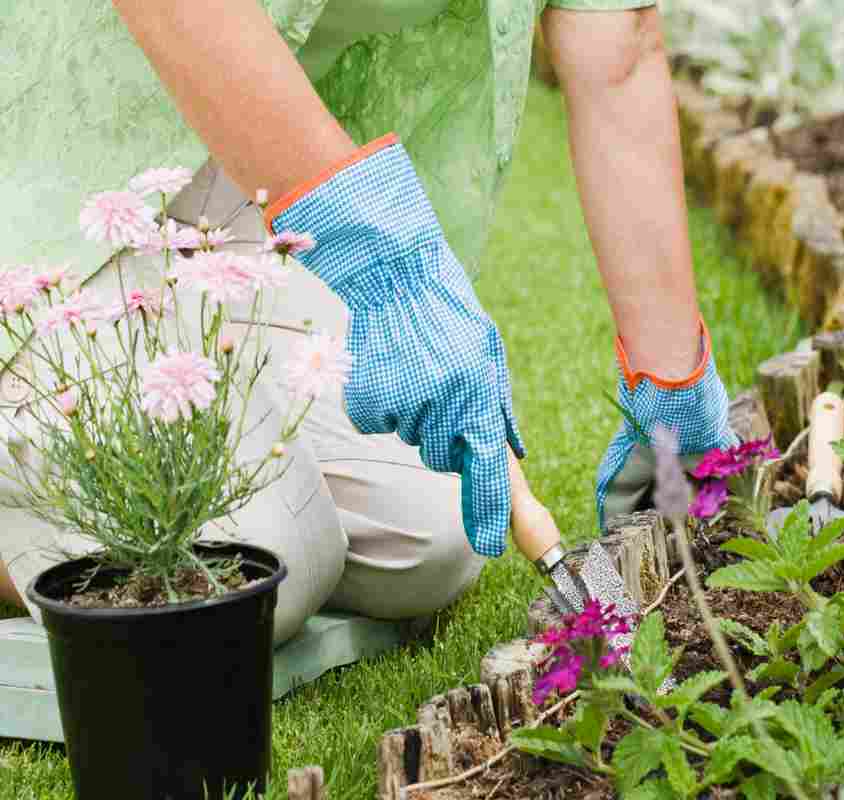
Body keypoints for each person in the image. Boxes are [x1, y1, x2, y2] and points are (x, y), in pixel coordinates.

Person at [0, 0, 737, 643]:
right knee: (260, 569)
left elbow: (622, 50)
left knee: (433, 536)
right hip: (43, 170)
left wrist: (670, 379)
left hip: (237, 177)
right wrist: (384, 259)